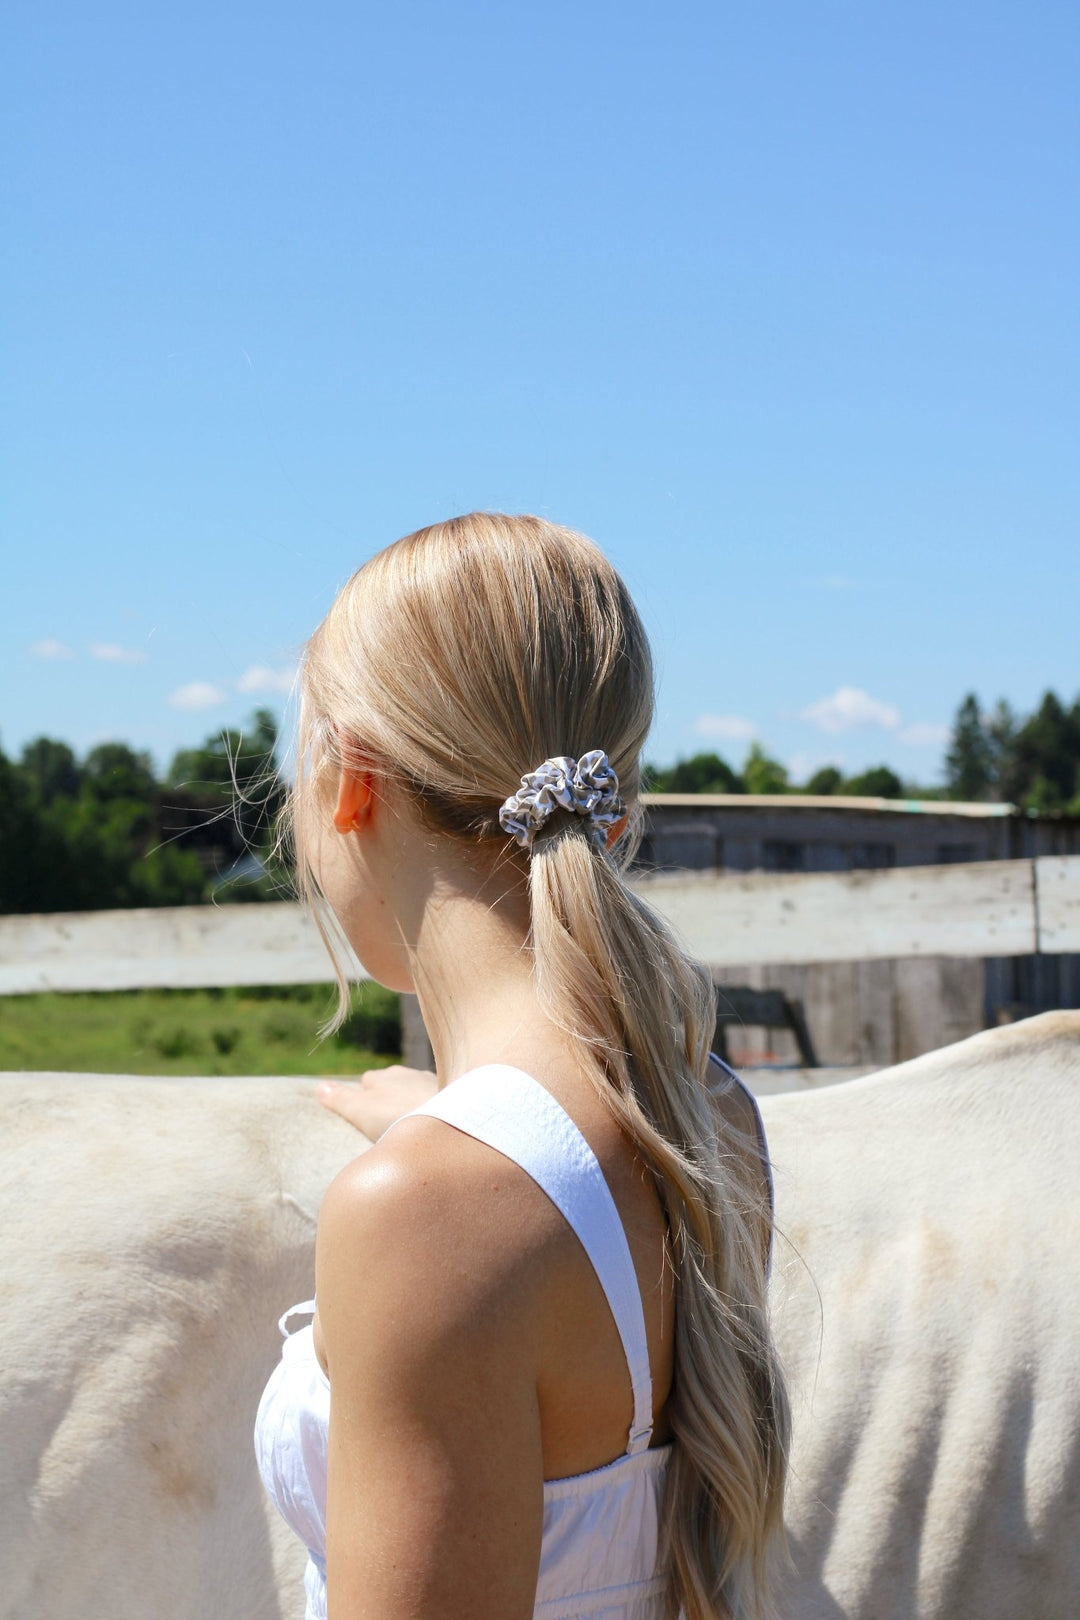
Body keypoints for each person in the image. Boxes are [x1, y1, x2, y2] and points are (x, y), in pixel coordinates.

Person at [254, 513, 789, 1620]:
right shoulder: (711, 1113)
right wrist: (454, 1124)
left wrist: (435, 1168)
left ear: (352, 778)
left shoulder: (429, 1214)